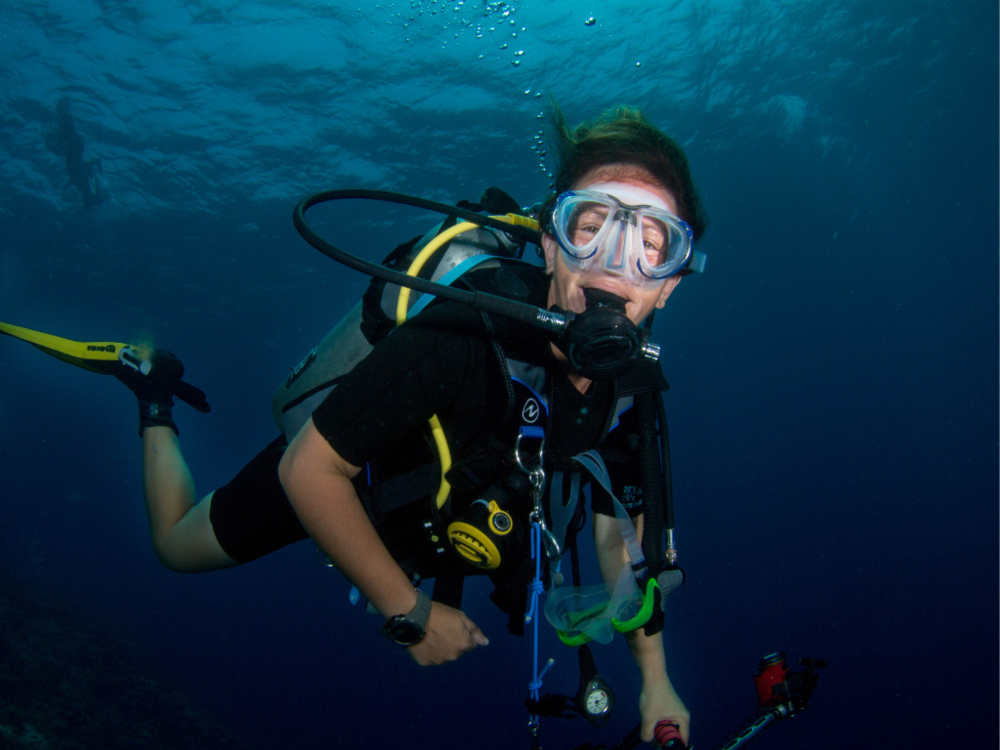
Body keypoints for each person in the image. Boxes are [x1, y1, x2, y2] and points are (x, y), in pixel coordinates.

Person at [114, 105, 708, 746]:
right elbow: (308, 468)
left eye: (652, 244)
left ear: (671, 283)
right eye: (589, 227)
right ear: (549, 244)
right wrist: (408, 611)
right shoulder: (464, 329)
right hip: (357, 477)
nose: (616, 262)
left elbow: (622, 545)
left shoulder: (633, 397)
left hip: (447, 520)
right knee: (175, 547)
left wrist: (656, 680)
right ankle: (154, 394)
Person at [44, 97, 106, 209]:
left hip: (75, 145)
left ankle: (94, 163)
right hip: (75, 145)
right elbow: (74, 174)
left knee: (77, 166)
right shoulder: (65, 121)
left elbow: (67, 133)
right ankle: (93, 163)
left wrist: (56, 141)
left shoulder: (65, 121)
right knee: (77, 166)